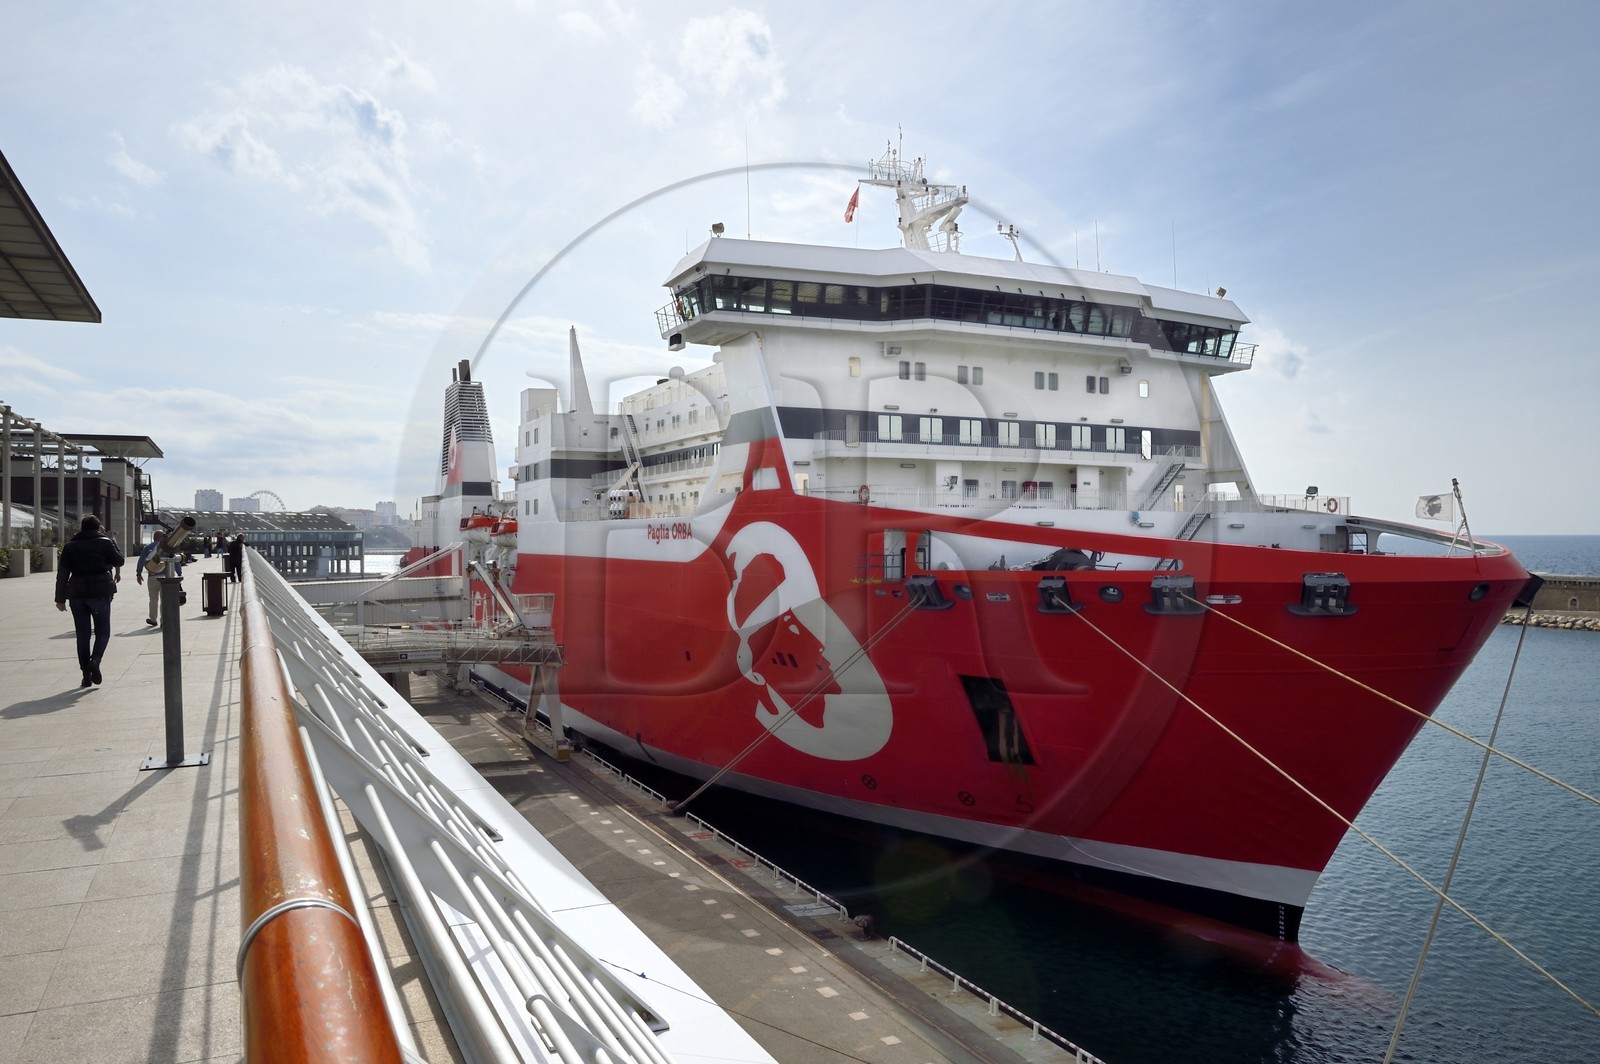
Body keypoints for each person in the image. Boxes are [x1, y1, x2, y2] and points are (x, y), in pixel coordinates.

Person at [54, 515, 125, 688]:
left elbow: (63, 573)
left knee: (82, 635)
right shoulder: (105, 543)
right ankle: (95, 660)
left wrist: (60, 598)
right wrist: (110, 540)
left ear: (82, 528)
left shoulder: (70, 546)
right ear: (98, 527)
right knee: (102, 632)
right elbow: (120, 561)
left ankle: (86, 674)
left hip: (77, 594)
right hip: (100, 592)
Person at [136, 530, 167, 627]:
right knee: (165, 599)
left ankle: (153, 619)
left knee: (153, 599)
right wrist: (178, 573)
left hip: (152, 576)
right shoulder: (166, 547)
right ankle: (164, 621)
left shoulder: (148, 547)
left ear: (154, 537)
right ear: (162, 537)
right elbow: (175, 562)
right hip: (166, 577)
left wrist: (139, 573)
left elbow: (141, 560)